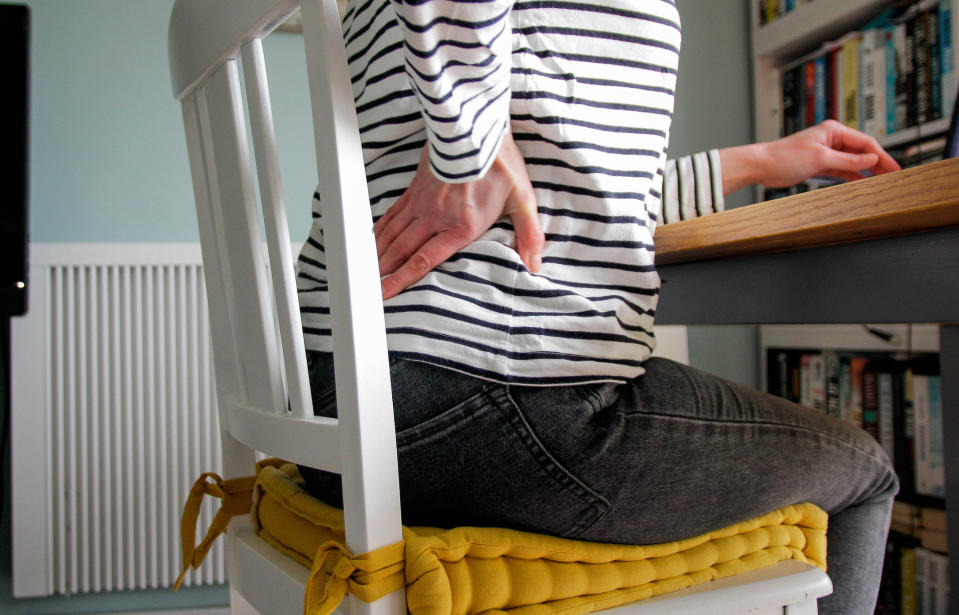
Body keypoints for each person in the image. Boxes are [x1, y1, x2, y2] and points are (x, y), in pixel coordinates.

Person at [295, 1, 901, 613]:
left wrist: (763, 162)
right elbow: (494, 176)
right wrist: (471, 148)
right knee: (863, 476)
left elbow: (577, 195)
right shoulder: (459, 69)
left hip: (340, 420)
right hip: (495, 398)